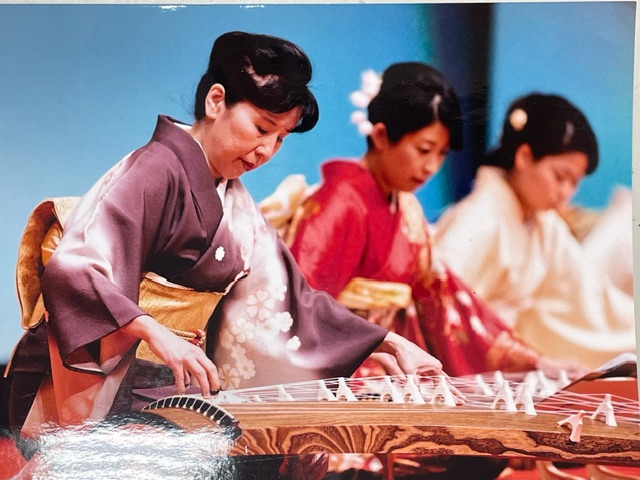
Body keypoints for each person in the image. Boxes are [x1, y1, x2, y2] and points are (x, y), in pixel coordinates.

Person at [6, 32, 445, 479]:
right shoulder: (154, 168)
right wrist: (157, 333)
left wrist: (390, 343)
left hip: (177, 383)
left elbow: (292, 300)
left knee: (278, 452)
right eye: (261, 128)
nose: (266, 150)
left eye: (280, 138)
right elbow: (77, 268)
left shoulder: (234, 199)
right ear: (216, 101)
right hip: (115, 377)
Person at [265, 62, 585, 383]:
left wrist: (532, 361)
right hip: (347, 366)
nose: (431, 166)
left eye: (441, 154)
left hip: (389, 363)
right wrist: (366, 350)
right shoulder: (340, 201)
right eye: (424, 150)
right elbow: (300, 307)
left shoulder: (408, 210)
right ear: (381, 136)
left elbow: (447, 303)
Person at [433, 93, 635, 370]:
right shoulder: (479, 217)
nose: (566, 192)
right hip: (469, 358)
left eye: (574, 182)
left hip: (509, 356)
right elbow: (439, 305)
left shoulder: (545, 224)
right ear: (524, 156)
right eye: (560, 177)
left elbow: (592, 296)